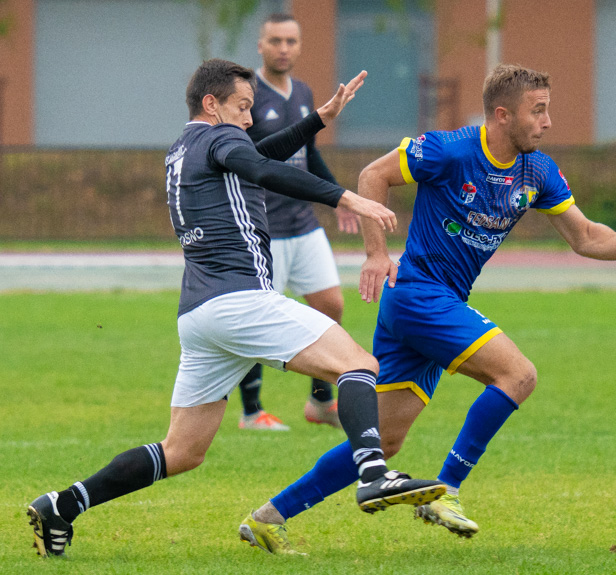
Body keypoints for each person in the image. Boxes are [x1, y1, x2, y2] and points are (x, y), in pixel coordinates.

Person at [26, 58, 444, 559]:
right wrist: (347, 199)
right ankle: (374, 474)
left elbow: (257, 156)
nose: (249, 118)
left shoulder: (186, 147)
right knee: (357, 365)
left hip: (200, 315)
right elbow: (260, 165)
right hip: (239, 300)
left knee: (182, 452)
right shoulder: (218, 142)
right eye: (243, 107)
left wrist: (318, 119)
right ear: (211, 104)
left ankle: (63, 505)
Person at [246, 63, 616, 541]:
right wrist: (375, 254)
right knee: (518, 375)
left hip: (433, 303)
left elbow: (584, 236)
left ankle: (269, 518)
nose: (548, 122)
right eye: (537, 111)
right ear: (501, 115)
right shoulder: (449, 150)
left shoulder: (536, 169)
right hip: (418, 295)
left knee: (384, 439)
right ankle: (448, 490)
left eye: (547, 110)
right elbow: (373, 175)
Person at [236, 13, 356, 432]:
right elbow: (244, 159)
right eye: (275, 41)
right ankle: (252, 412)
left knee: (330, 306)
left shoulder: (304, 92)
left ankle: (321, 402)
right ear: (260, 45)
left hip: (304, 222)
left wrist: (337, 196)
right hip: (263, 225)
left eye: (291, 40)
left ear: (300, 45)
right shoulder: (245, 94)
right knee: (256, 319)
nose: (283, 48)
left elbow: (310, 153)